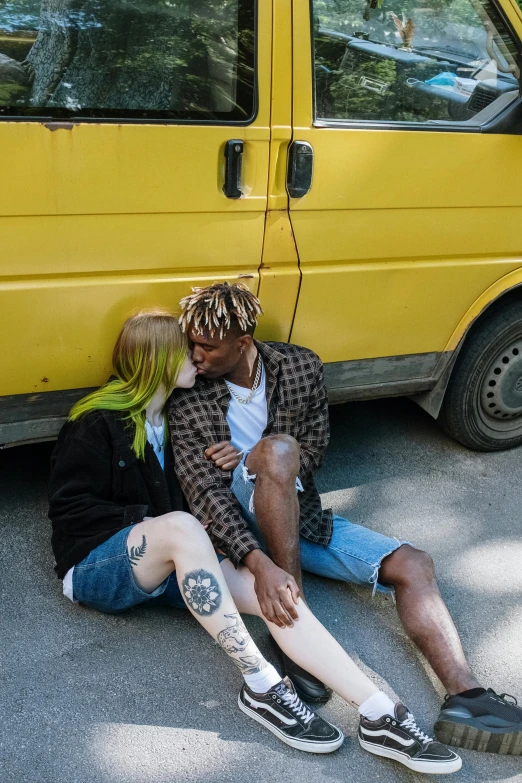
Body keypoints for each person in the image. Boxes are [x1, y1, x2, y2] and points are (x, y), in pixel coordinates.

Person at [48, 308, 462, 774]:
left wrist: (233, 542)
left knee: (278, 594)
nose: (196, 358)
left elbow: (212, 495)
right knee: (183, 525)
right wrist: (160, 527)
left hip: (172, 562)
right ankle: (262, 685)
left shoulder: (175, 418)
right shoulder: (97, 421)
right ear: (159, 361)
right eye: (186, 350)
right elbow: (69, 513)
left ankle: (379, 714)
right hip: (96, 567)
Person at [169, 282, 522, 757]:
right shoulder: (189, 397)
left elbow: (312, 449)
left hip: (295, 511)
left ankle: (467, 697)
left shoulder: (298, 367)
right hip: (233, 525)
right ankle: (298, 630)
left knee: (413, 563)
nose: (194, 356)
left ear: (243, 343)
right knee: (276, 452)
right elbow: (205, 496)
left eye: (206, 347)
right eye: (192, 343)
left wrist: (261, 460)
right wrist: (258, 556)